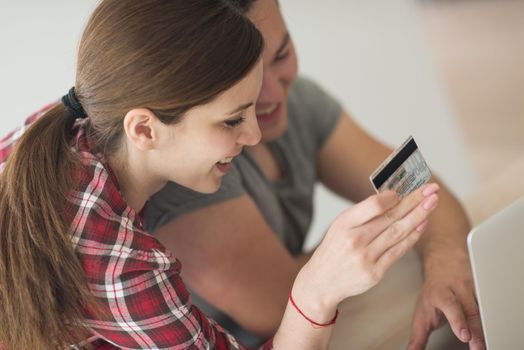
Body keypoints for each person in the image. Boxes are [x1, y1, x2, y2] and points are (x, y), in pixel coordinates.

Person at [0, 0, 440, 349]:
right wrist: (315, 291)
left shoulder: (72, 125)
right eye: (231, 121)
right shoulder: (123, 268)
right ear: (144, 129)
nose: (252, 137)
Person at [143, 0, 485, 349]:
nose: (274, 94)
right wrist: (395, 229)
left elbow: (423, 189)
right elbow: (279, 307)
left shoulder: (302, 102)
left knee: (473, 253)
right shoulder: (188, 174)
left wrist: (446, 260)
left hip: (321, 319)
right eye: (247, 80)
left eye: (281, 55)